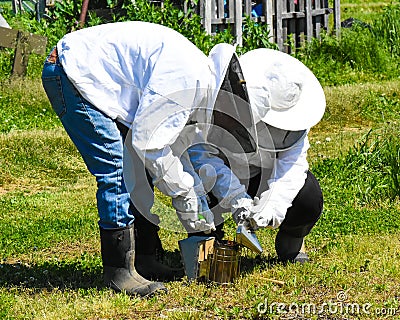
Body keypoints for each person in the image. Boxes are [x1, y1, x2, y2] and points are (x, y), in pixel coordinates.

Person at [41, 21, 243, 296]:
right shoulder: (185, 81)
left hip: (92, 72)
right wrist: (188, 201)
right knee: (117, 168)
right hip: (72, 72)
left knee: (138, 166)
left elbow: (178, 152)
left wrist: (197, 209)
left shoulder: (196, 82)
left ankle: (145, 258)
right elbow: (151, 145)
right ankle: (119, 271)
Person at [187, 48, 325, 263]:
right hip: (219, 174)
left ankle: (291, 245)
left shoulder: (296, 124)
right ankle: (208, 244)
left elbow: (292, 169)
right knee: (195, 188)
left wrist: (271, 208)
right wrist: (235, 197)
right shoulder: (222, 103)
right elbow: (202, 156)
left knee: (308, 196)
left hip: (262, 176)